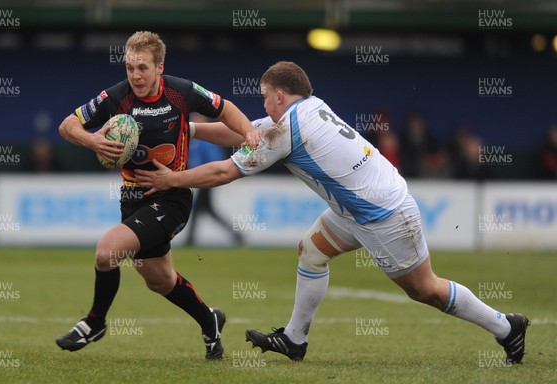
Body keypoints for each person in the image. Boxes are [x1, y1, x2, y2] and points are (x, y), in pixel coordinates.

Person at [135, 61, 530, 365]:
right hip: (363, 205)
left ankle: (505, 327)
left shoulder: (285, 128)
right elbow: (243, 131)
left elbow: (225, 171)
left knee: (423, 289)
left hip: (382, 214)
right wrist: (185, 127)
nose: (262, 102)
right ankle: (295, 339)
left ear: (279, 96)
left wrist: (173, 180)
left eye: (264, 95)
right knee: (312, 250)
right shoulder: (309, 108)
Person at [55, 31, 257, 360]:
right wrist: (92, 141)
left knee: (107, 251)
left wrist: (249, 131)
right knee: (159, 280)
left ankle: (94, 322)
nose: (135, 75)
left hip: (171, 195)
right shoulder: (115, 98)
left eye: (143, 68)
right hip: (132, 197)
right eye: (130, 67)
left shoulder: (183, 92)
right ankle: (210, 323)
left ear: (160, 67)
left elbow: (226, 108)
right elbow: (68, 126)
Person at [185, 114, 243, 246]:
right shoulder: (195, 142)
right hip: (200, 179)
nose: (193, 122)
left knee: (200, 208)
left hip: (207, 179)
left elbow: (215, 160)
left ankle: (190, 240)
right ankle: (235, 234)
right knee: (207, 210)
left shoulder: (206, 142)